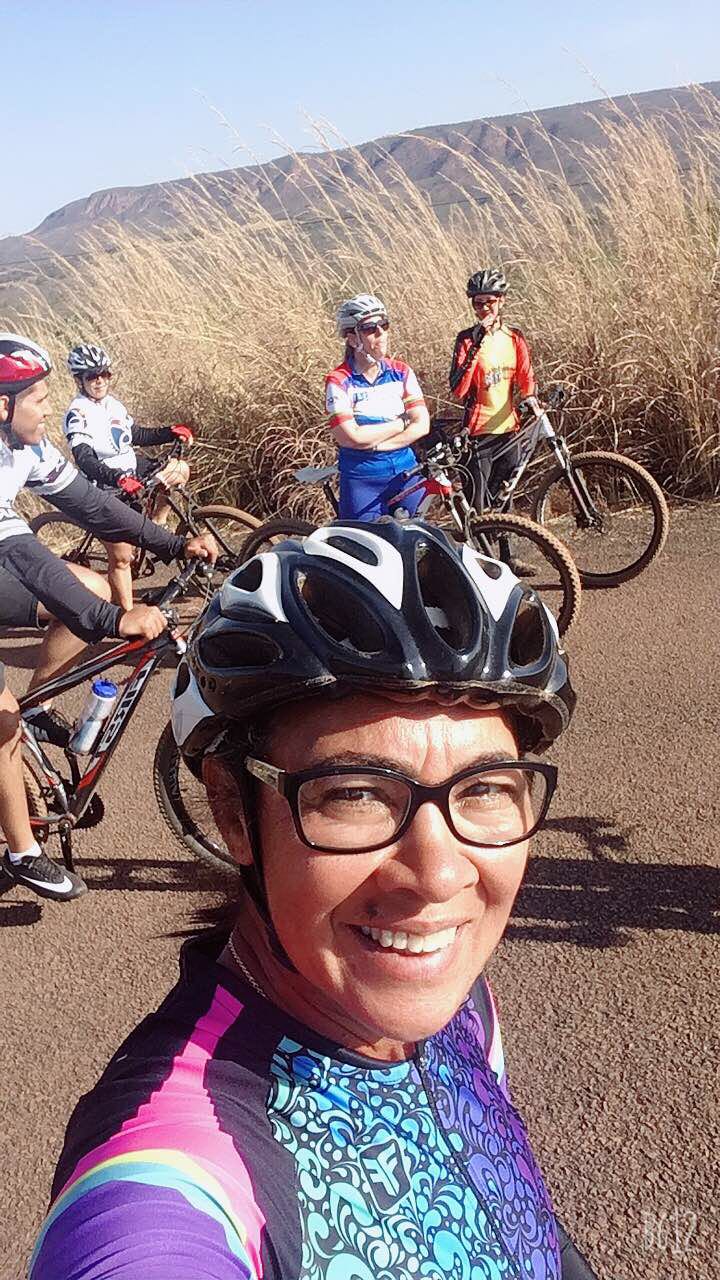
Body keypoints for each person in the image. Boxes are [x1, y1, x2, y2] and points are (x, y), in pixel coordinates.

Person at [31, 519, 597, 1279]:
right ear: (234, 813)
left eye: (487, 787)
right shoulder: (177, 1173)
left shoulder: (458, 1002)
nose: (438, 877)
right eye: (356, 793)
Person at [0, 332, 217, 901]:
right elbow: (22, 554)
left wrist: (174, 545)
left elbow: (93, 506)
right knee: (0, 719)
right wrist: (110, 619)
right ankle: (22, 852)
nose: (47, 406)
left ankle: (37, 704)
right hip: (3, 555)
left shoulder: (26, 446)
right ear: (2, 406)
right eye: (37, 398)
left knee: (91, 583)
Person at [64, 343, 194, 609]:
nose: (100, 381)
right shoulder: (77, 414)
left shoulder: (112, 404)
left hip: (131, 469)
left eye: (105, 374)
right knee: (122, 557)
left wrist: (170, 431)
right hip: (103, 486)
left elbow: (135, 435)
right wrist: (117, 479)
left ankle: (157, 524)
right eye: (92, 376)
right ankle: (125, 619)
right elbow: (85, 460)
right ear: (80, 380)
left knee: (179, 469)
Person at [449, 269, 539, 570]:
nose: (484, 308)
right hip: (477, 433)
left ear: (501, 301)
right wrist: (476, 345)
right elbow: (459, 389)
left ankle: (508, 556)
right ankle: (483, 564)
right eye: (478, 303)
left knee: (505, 496)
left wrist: (531, 397)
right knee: (478, 503)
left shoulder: (514, 338)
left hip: (509, 429)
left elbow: (525, 377)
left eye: (489, 301)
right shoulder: (466, 339)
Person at [325, 294, 430, 519]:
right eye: (370, 328)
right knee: (365, 541)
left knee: (418, 537)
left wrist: (377, 445)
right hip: (362, 481)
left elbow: (422, 425)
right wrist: (401, 423)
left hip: (405, 472)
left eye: (384, 325)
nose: (381, 333)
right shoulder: (339, 380)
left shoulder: (401, 371)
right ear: (352, 338)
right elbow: (351, 437)